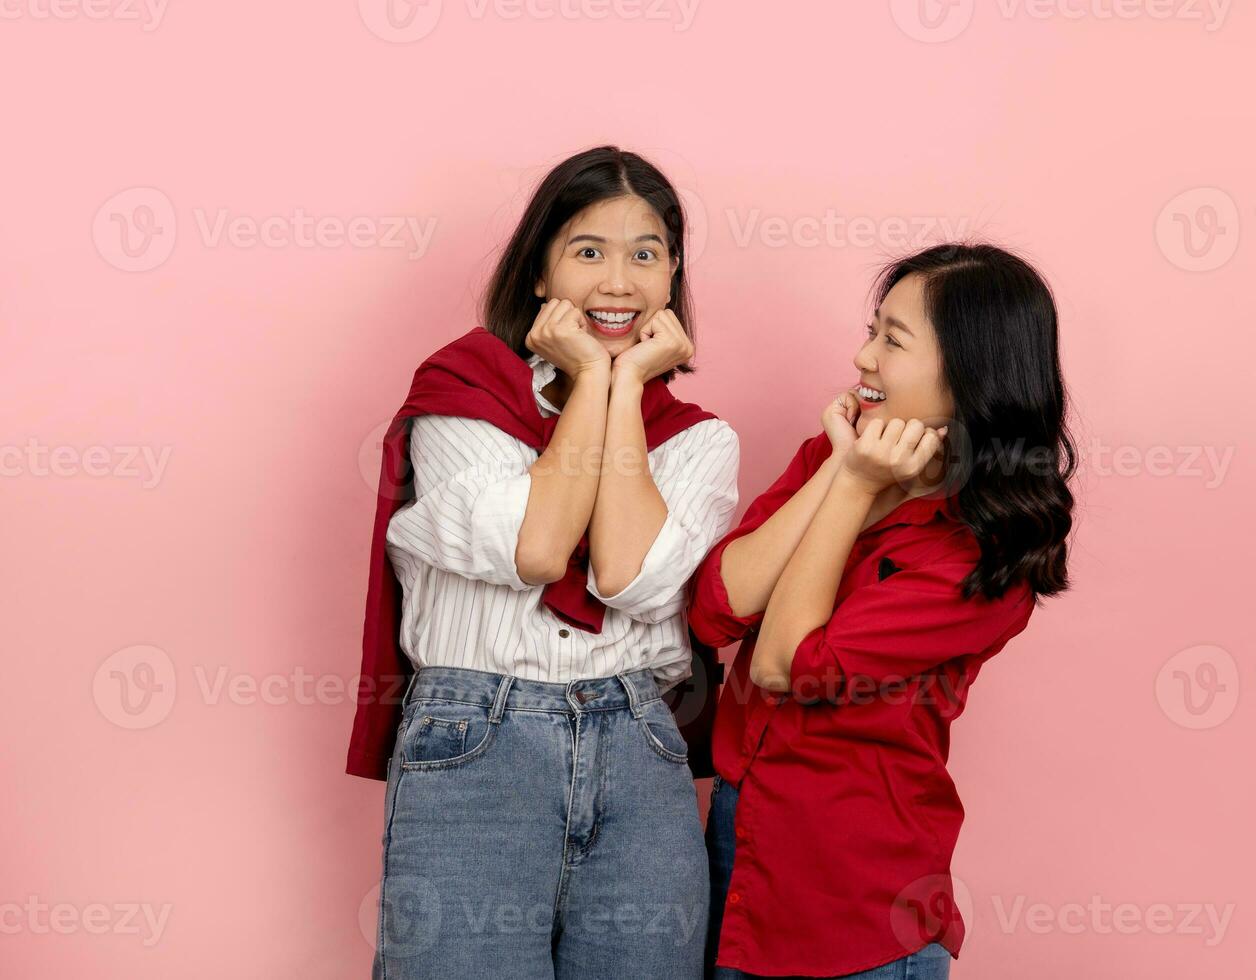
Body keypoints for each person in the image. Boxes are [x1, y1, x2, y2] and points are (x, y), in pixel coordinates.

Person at [346, 146, 739, 980]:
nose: (619, 282)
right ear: (539, 272)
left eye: (647, 254)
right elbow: (537, 546)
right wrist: (593, 376)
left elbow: (630, 572)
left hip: (639, 747)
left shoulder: (700, 439)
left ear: (673, 277)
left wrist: (624, 385)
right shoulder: (462, 394)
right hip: (475, 743)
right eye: (588, 251)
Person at [689, 242, 1076, 978]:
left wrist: (854, 484)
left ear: (969, 374)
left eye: (892, 341)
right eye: (872, 330)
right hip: (744, 849)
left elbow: (781, 665)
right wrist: (843, 467)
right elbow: (716, 610)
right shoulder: (834, 457)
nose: (863, 358)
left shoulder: (983, 559)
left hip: (858, 904)